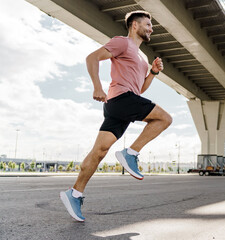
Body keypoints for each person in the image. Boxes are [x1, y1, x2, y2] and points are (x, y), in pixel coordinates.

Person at [60, 10, 172, 222]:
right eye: (147, 24)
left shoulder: (143, 57)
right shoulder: (122, 43)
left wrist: (153, 73)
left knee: (99, 151)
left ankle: (74, 193)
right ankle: (131, 153)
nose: (151, 29)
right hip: (121, 99)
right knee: (165, 118)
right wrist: (97, 87)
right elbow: (92, 57)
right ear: (134, 26)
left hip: (123, 102)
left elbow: (140, 89)